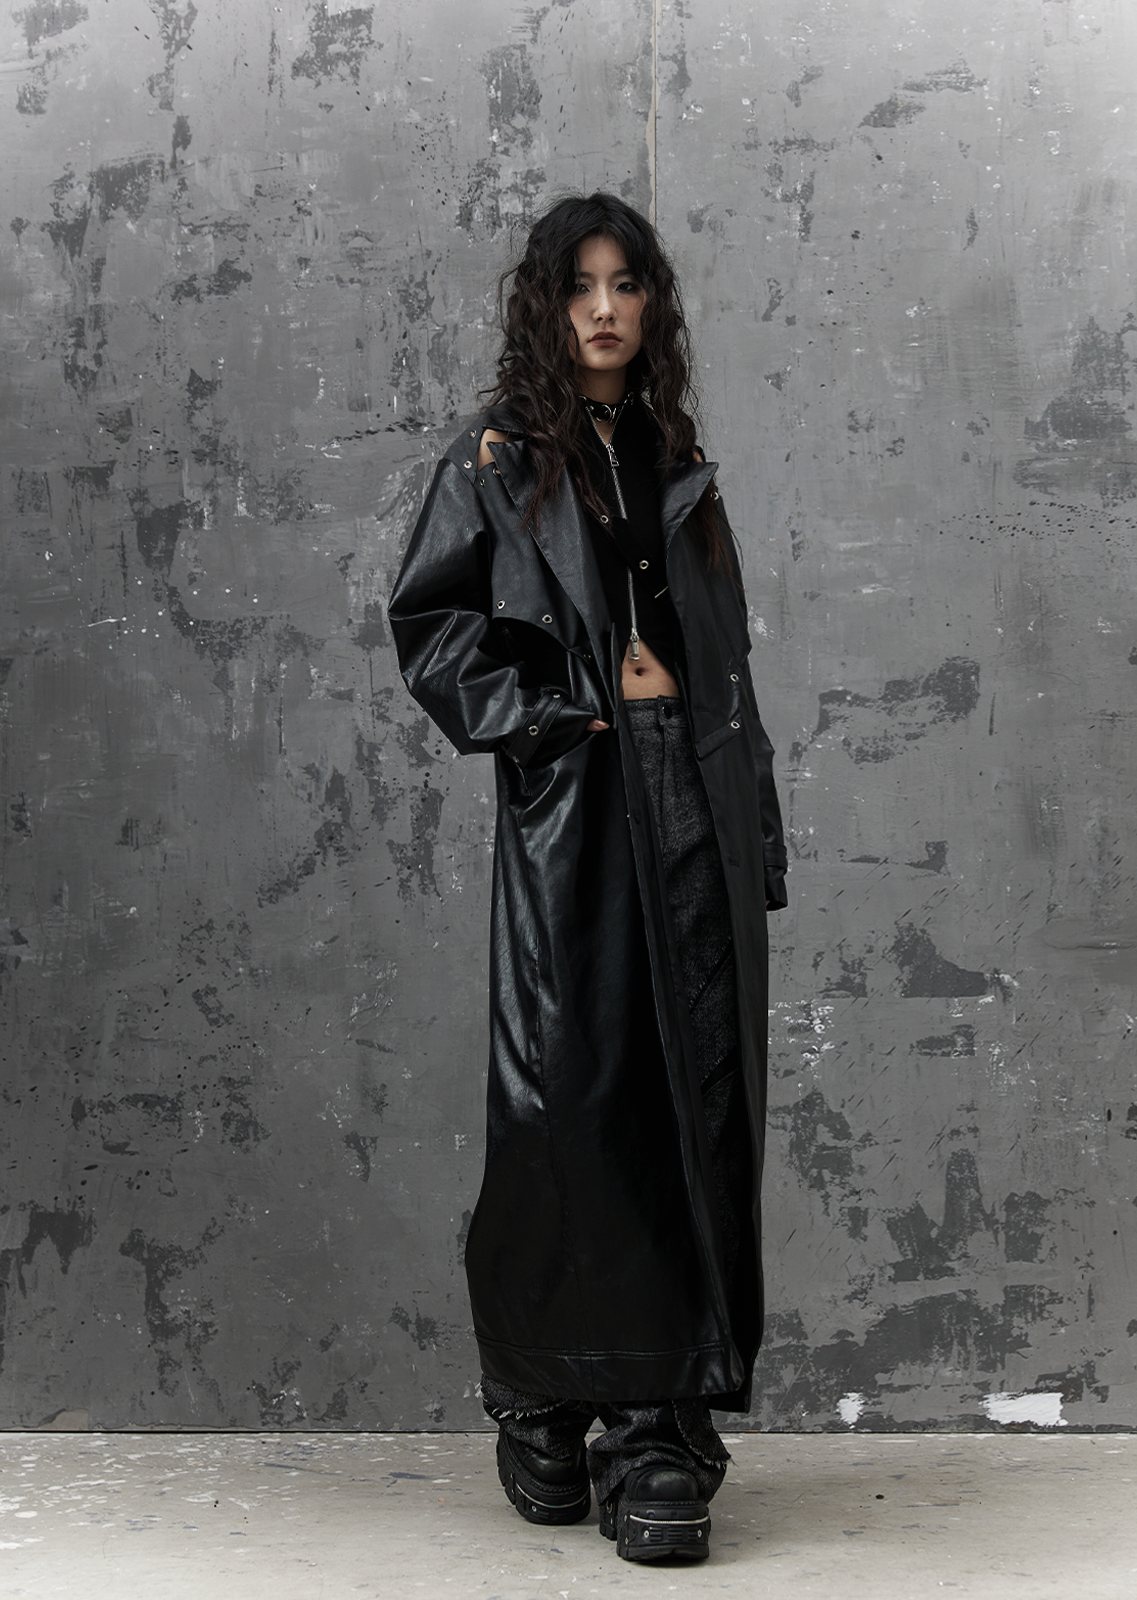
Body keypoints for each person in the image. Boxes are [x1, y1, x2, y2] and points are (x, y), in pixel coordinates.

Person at [387, 192, 787, 1563]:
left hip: (697, 794)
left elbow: (732, 667)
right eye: (579, 286)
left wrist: (757, 835)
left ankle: (655, 1422)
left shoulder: (678, 462)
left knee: (701, 1101)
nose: (604, 309)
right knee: (581, 1102)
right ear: (546, 308)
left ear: (652, 304)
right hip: (583, 800)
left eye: (626, 284)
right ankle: (553, 1390)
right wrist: (557, 716)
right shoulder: (497, 460)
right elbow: (433, 630)